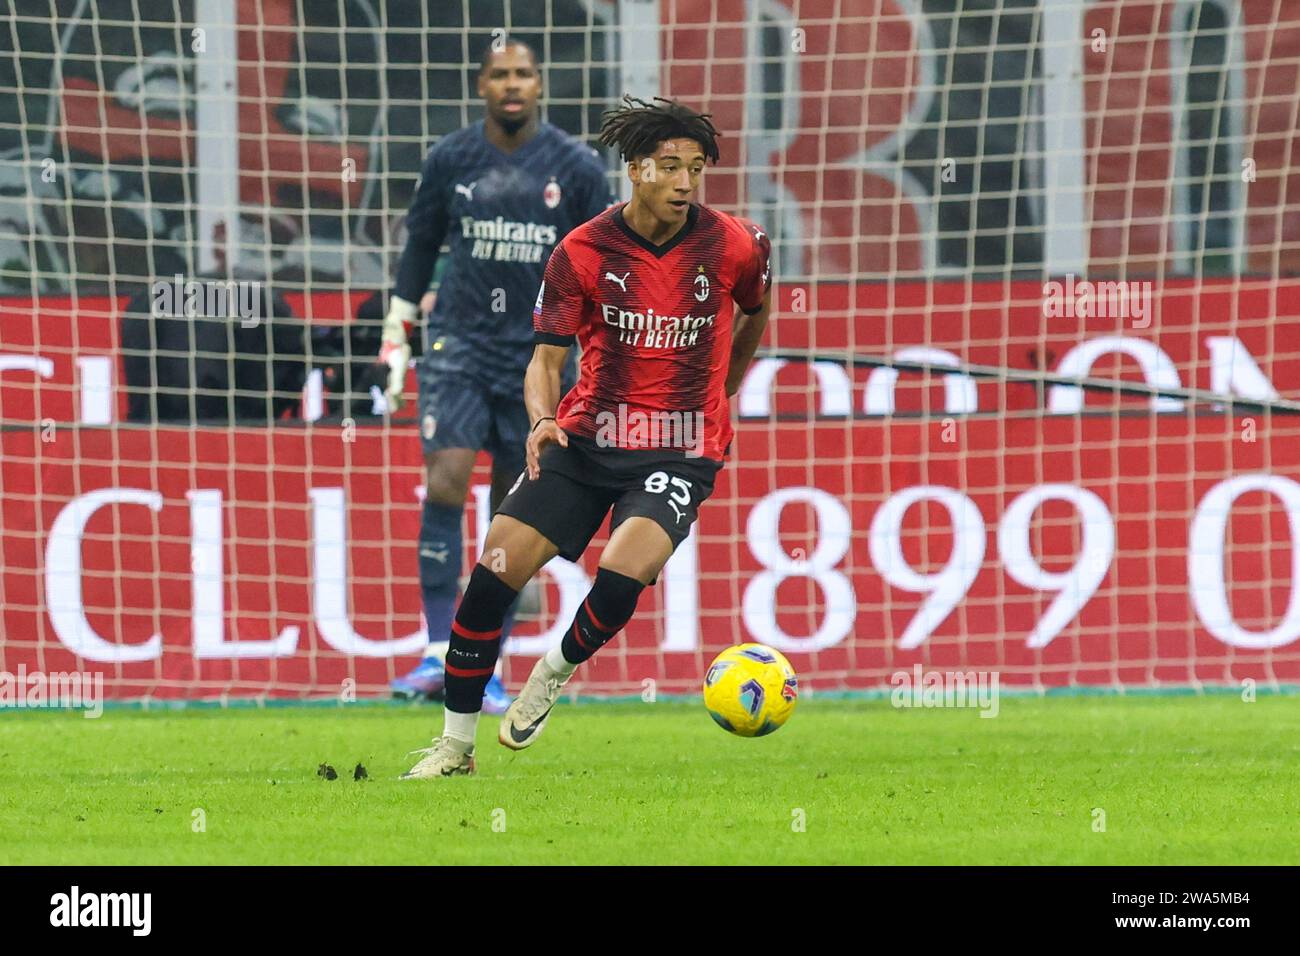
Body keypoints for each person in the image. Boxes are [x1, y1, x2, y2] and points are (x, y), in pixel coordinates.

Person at [401, 95, 773, 778]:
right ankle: (454, 748)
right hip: (587, 439)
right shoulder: (581, 251)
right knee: (494, 574)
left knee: (624, 569)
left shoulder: (734, 244)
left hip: (681, 445)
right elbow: (544, 360)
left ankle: (554, 668)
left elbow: (756, 303)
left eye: (695, 168)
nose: (685, 183)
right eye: (670, 167)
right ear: (636, 170)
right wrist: (542, 420)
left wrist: (729, 385)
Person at [381, 38, 614, 709]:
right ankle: (433, 652)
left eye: (524, 74)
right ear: (480, 85)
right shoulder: (451, 157)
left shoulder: (575, 167)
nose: (512, 85)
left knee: (512, 513)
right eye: (499, 75)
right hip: (459, 346)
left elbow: (601, 262)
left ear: (539, 85)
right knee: (446, 478)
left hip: (538, 360)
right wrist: (397, 337)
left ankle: (480, 665)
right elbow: (420, 247)